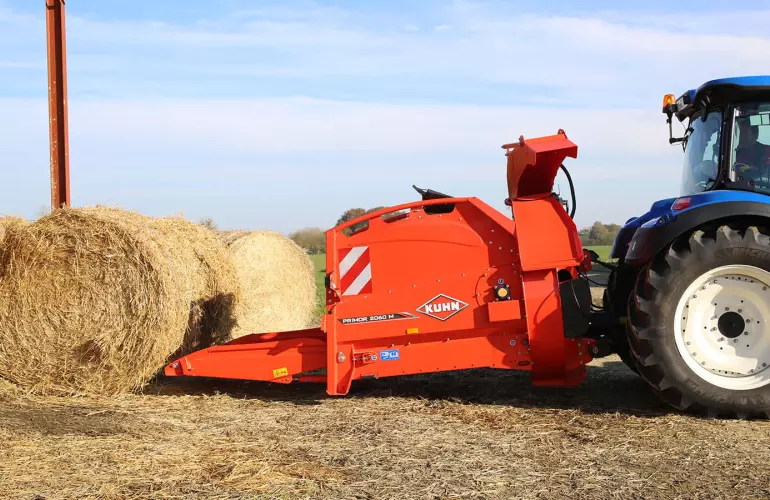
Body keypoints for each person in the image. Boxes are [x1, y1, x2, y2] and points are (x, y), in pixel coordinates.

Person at [734, 118, 770, 185]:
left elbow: (766, 174)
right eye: (739, 133)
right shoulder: (732, 155)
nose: (740, 137)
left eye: (744, 133)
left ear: (755, 135)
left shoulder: (767, 151)